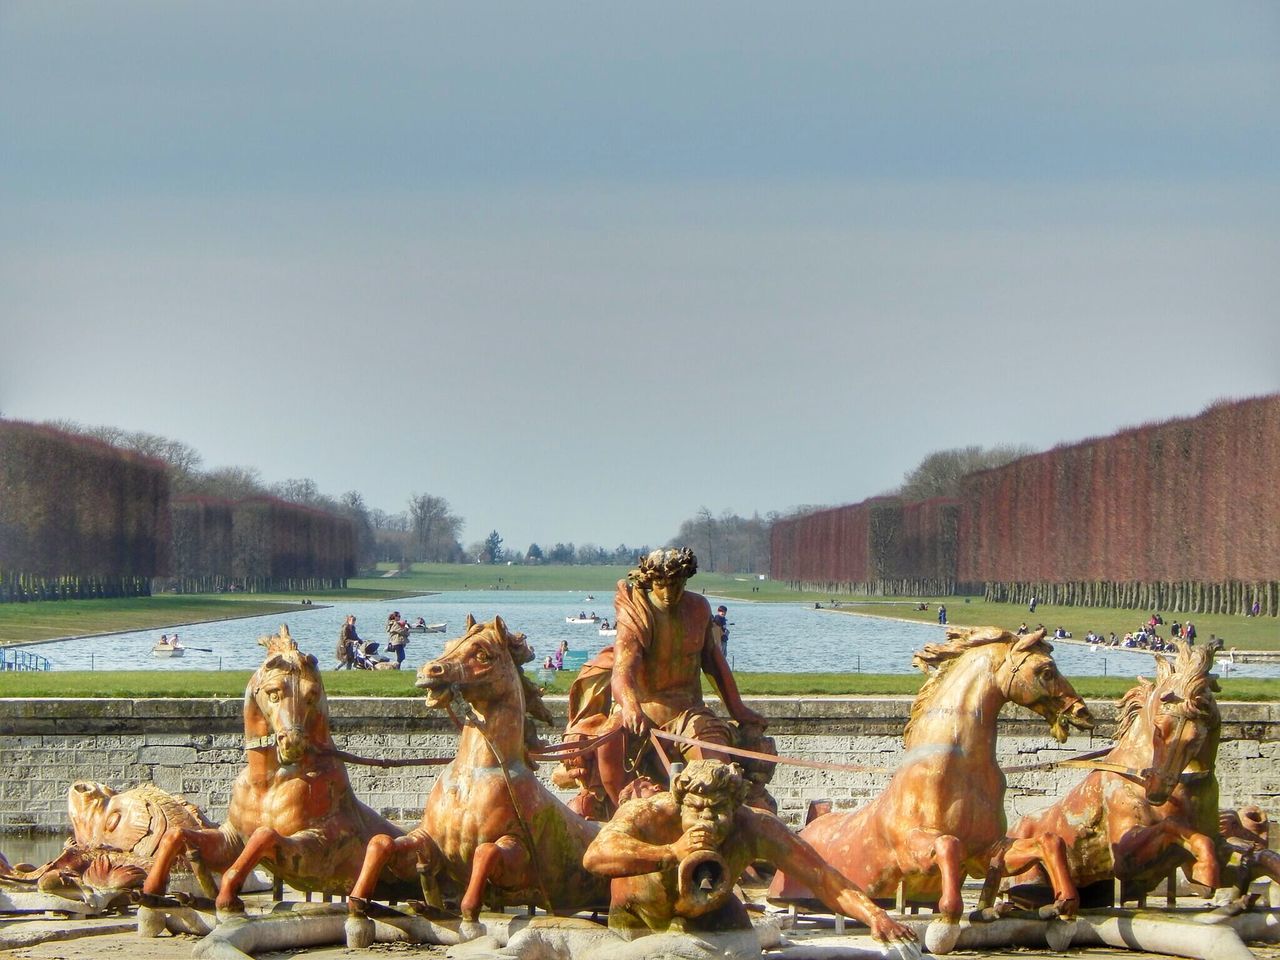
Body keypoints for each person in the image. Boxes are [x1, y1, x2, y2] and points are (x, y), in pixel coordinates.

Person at [582, 759, 916, 947]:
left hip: (712, 913)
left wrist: (875, 915)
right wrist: (670, 851)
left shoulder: (755, 826)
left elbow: (824, 877)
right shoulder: (652, 813)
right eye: (696, 810)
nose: (707, 821)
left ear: (737, 806)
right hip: (640, 918)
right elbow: (595, 856)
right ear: (680, 803)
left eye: (718, 811)